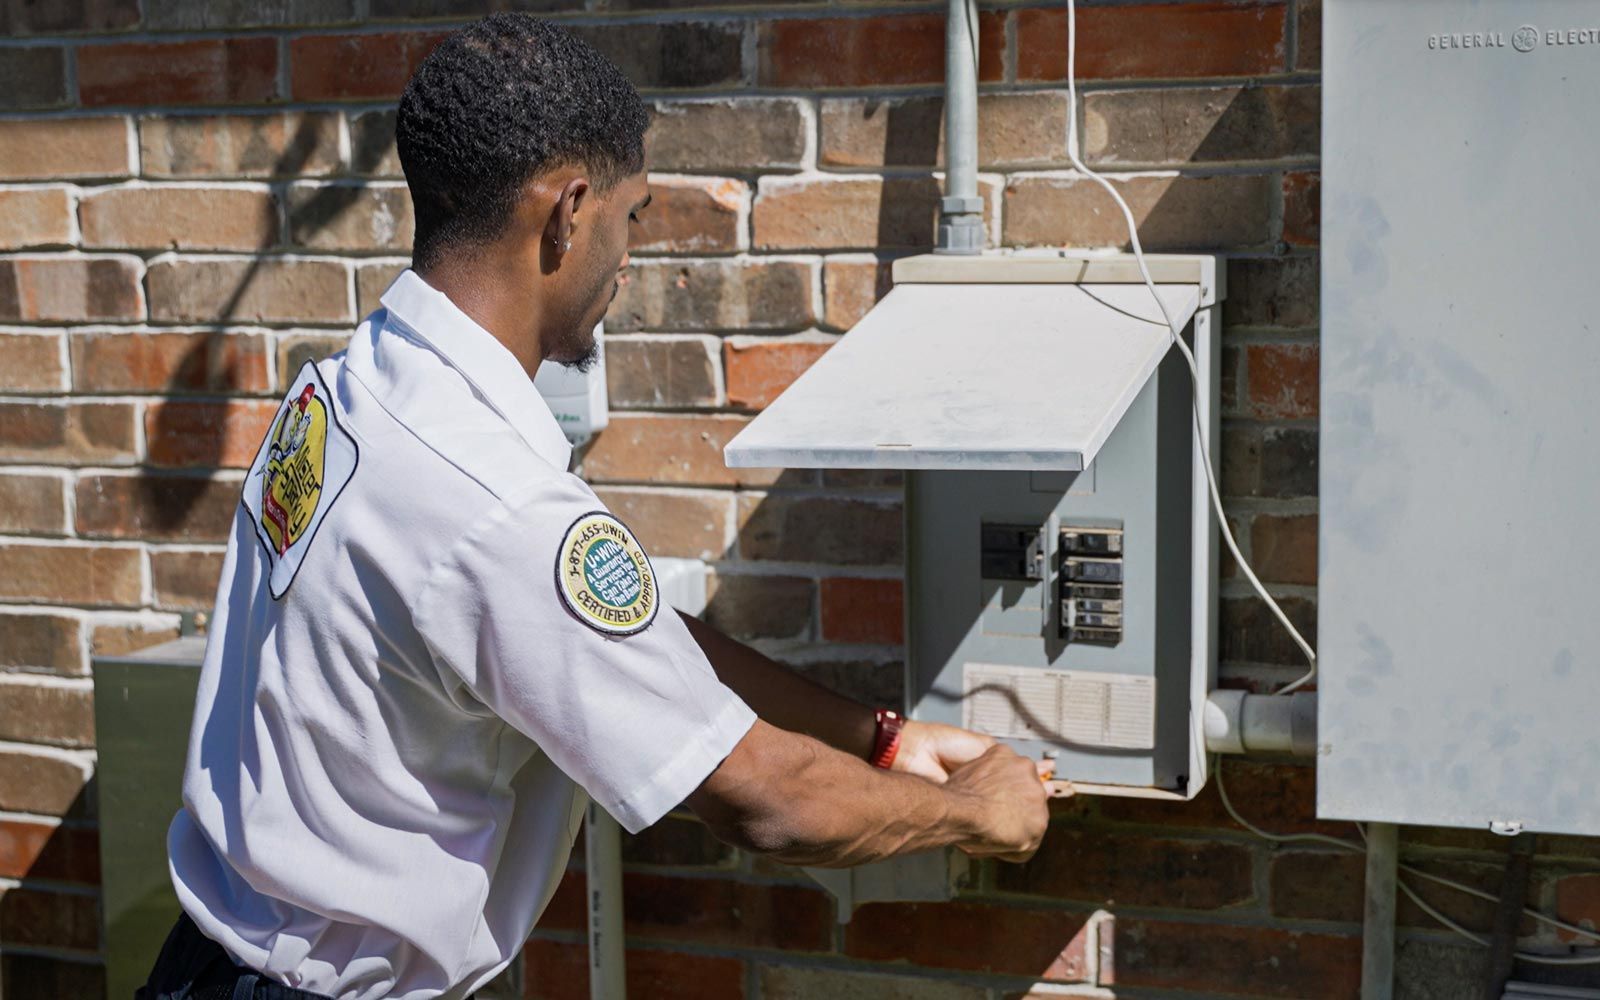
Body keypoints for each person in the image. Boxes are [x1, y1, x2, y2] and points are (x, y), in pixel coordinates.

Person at [139, 13, 1053, 1000]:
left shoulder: (343, 390)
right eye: (634, 214)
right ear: (569, 210)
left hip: (202, 965)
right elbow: (770, 803)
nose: (631, 255)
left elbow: (632, 641)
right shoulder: (501, 501)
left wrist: (880, 737)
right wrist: (982, 813)